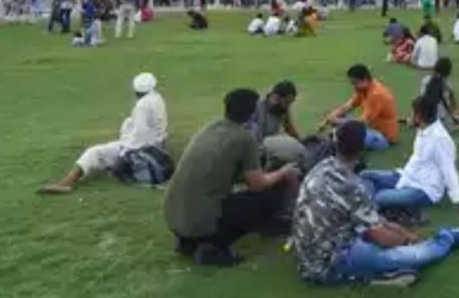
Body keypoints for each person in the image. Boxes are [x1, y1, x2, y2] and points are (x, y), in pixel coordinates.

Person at [292, 120, 459, 286]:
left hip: (307, 256)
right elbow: (380, 236)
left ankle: (380, 275)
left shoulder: (322, 167)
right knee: (403, 257)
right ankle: (447, 238)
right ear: (361, 150)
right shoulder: (353, 186)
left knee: (376, 233)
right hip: (329, 263)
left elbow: (373, 221)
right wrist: (407, 240)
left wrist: (402, 232)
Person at [163, 89, 302, 266]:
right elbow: (257, 185)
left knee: (229, 199)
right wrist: (283, 172)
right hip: (202, 218)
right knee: (266, 198)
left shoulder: (211, 127)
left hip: (173, 215)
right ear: (253, 111)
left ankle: (189, 242)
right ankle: (214, 247)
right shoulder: (244, 138)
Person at [40, 73, 170, 193]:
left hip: (143, 148)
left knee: (93, 152)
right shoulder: (157, 98)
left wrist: (124, 153)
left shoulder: (143, 106)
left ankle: (67, 183)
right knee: (124, 129)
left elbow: (140, 134)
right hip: (156, 144)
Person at [360, 96, 459, 222]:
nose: (409, 116)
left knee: (379, 197)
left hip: (423, 190)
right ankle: (387, 208)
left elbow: (449, 171)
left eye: (412, 113)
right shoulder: (423, 129)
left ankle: (389, 209)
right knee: (365, 175)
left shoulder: (439, 139)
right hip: (405, 177)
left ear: (419, 116)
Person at [323, 65, 400, 151]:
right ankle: (337, 137)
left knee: (348, 132)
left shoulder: (376, 95)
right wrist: (330, 117)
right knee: (340, 117)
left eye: (355, 83)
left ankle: (339, 142)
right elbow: (348, 106)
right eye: (352, 83)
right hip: (370, 128)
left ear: (366, 79)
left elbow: (361, 123)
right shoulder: (364, 89)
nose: (354, 86)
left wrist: (336, 120)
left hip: (383, 138)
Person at [246, 81, 306, 169]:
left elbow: (289, 127)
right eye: (286, 102)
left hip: (269, 149)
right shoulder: (256, 108)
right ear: (276, 98)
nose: (287, 106)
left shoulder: (281, 109)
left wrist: (301, 142)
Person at [419, 58, 459, 129]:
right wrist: (452, 115)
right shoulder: (444, 85)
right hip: (438, 118)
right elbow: (445, 101)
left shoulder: (426, 80)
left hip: (425, 116)